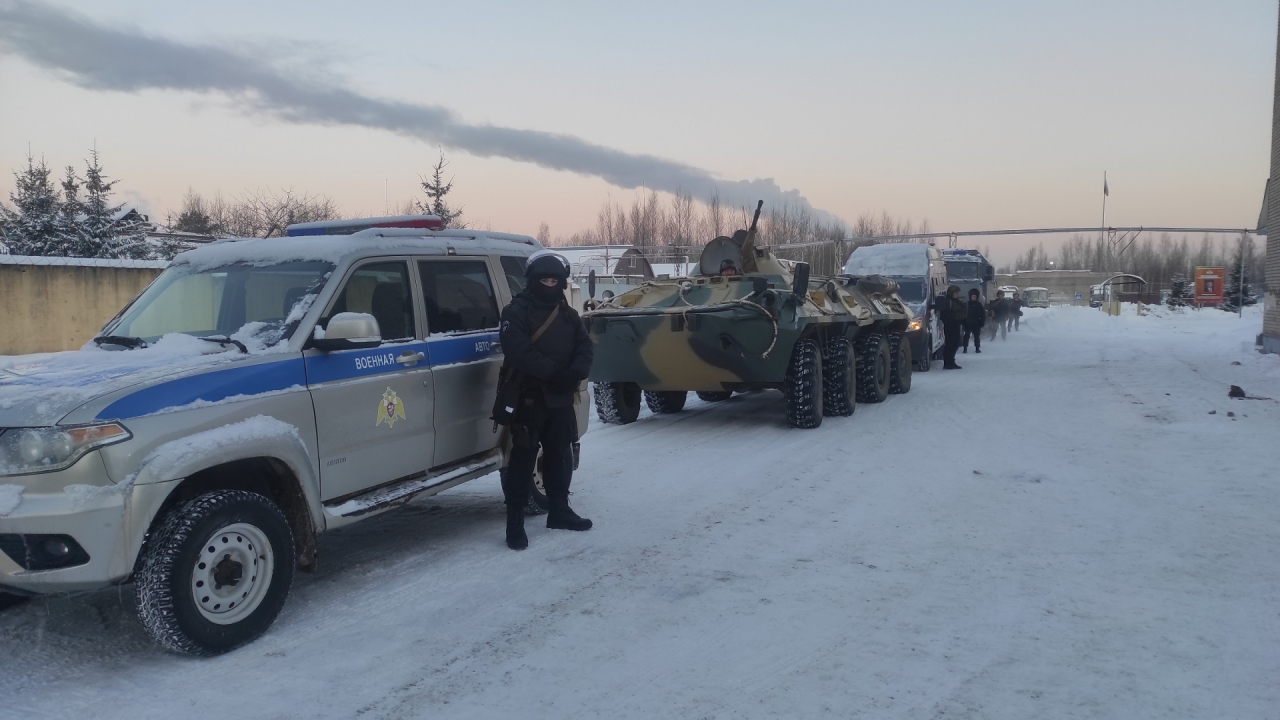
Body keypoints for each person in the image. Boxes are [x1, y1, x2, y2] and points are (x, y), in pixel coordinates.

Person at [498, 251, 594, 550]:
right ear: (533, 280)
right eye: (544, 279)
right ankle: (514, 524)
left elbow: (585, 348)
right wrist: (555, 373)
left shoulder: (569, 315)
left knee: (559, 456)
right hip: (528, 396)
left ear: (562, 282)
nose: (549, 284)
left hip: (560, 398)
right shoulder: (516, 311)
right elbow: (518, 351)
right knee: (523, 461)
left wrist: (575, 373)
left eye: (555, 280)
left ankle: (559, 511)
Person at [935, 284, 966, 369]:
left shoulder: (955, 301)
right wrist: (951, 321)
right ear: (952, 293)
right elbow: (945, 314)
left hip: (955, 325)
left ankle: (951, 361)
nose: (957, 295)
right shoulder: (948, 302)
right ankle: (948, 363)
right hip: (950, 326)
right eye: (956, 293)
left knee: (955, 344)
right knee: (950, 344)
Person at [961, 288, 984, 354]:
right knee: (966, 336)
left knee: (976, 337)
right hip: (968, 323)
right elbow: (963, 313)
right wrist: (963, 322)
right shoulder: (966, 304)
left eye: (975, 296)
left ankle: (977, 348)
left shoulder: (979, 305)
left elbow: (982, 314)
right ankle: (965, 348)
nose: (974, 297)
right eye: (972, 296)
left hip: (977, 323)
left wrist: (982, 322)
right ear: (970, 297)